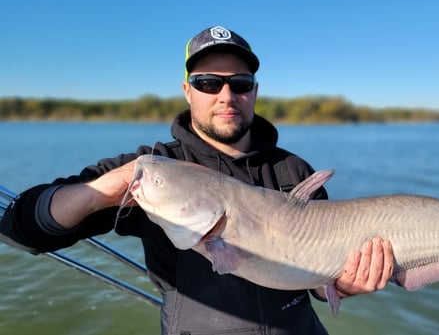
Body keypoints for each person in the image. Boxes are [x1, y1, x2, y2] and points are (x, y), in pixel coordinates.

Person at [0, 26, 394, 335]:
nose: (226, 95)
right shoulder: (152, 168)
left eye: (239, 84)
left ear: (254, 92)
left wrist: (342, 285)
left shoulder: (293, 170)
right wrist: (100, 192)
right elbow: (20, 230)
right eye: (208, 83)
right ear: (187, 91)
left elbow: (316, 280)